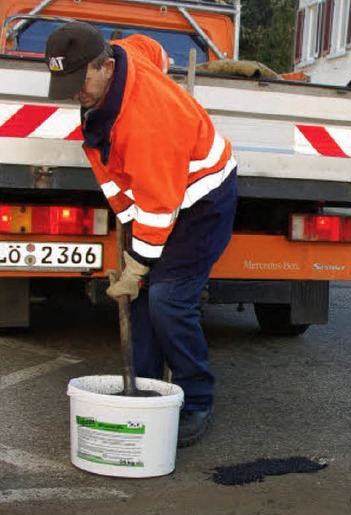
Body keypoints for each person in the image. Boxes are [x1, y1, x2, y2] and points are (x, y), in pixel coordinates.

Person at [45, 21, 238, 448]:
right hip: (160, 195)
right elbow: (150, 48)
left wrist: (136, 265)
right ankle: (148, 389)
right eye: (68, 82)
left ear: (105, 67)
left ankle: (197, 399)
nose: (76, 92)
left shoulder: (147, 122)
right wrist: (126, 221)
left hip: (200, 200)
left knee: (168, 300)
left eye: (81, 82)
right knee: (142, 299)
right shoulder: (122, 52)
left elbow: (159, 205)